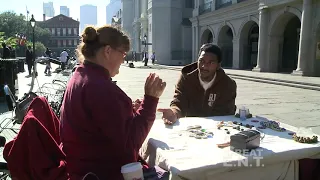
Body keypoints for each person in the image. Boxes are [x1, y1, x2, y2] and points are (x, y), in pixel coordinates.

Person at [59, 25, 166, 179]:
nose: (124, 59)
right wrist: (150, 100)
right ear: (108, 51)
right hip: (103, 173)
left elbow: (103, 125)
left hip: (81, 169)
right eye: (123, 53)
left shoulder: (80, 75)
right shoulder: (100, 88)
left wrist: (128, 111)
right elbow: (130, 147)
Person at [158, 43, 237, 125]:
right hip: (191, 127)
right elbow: (179, 101)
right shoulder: (186, 78)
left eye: (210, 62)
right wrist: (174, 113)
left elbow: (225, 113)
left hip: (216, 127)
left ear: (218, 66)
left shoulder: (228, 84)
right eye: (201, 61)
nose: (204, 66)